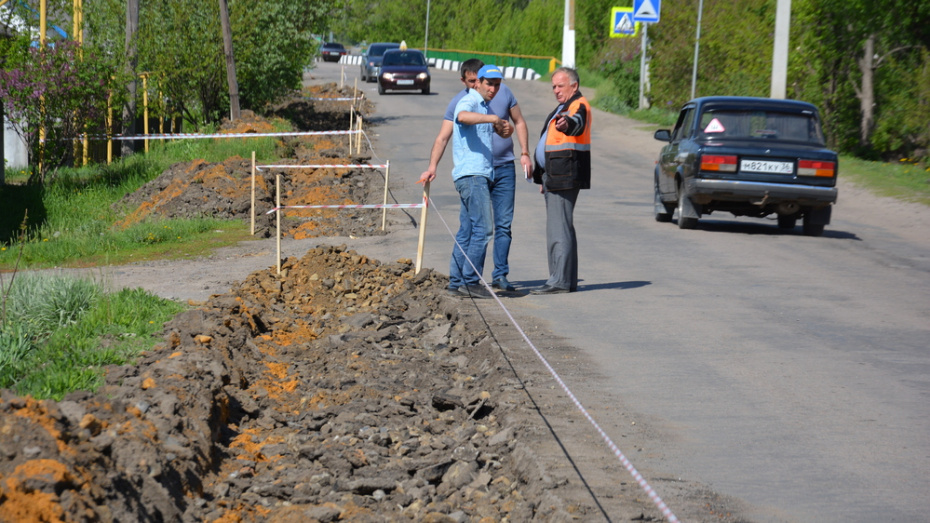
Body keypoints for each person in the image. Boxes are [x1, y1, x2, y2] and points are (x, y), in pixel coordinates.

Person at [420, 60, 532, 295]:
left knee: (472, 229)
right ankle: (470, 282)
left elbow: (504, 126)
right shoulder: (469, 100)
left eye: (497, 85)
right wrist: (432, 166)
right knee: (483, 229)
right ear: (476, 82)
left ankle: (456, 282)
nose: (493, 89)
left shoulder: (484, 105)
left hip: (486, 172)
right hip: (473, 175)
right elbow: (461, 117)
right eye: (488, 84)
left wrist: (504, 129)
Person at [530, 67, 592, 295]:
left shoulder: (578, 106)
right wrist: (543, 176)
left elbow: (576, 122)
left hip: (564, 175)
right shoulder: (564, 105)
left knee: (558, 229)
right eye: (554, 86)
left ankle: (558, 281)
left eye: (560, 86)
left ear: (574, 86)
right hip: (557, 174)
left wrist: (566, 123)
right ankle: (567, 280)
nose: (556, 90)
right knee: (563, 226)